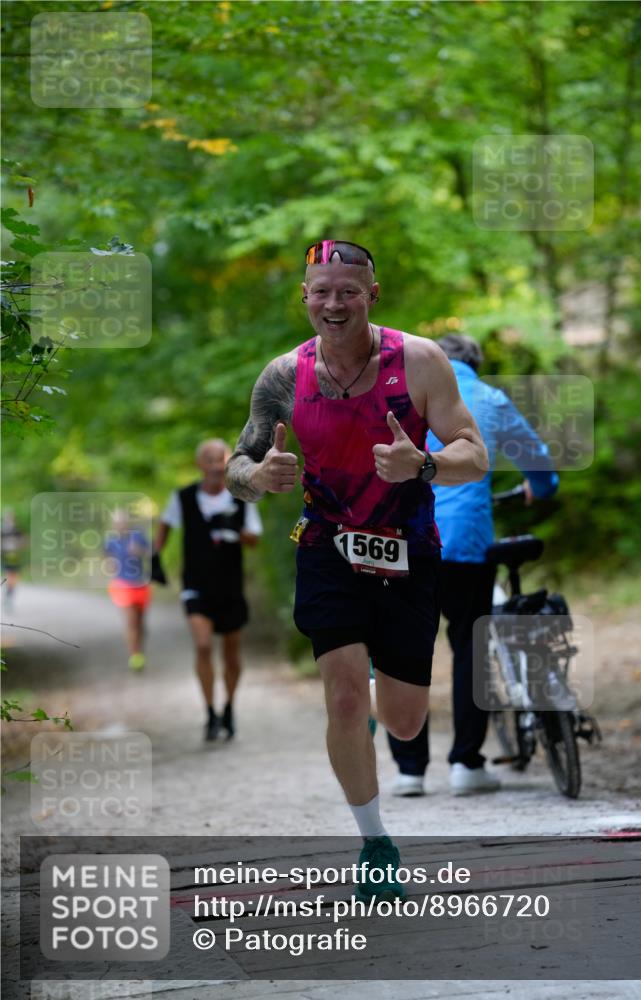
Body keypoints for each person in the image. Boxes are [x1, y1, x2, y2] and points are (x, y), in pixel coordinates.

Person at [226, 240, 488, 901]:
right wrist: (258, 476)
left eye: (347, 291)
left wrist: (424, 465)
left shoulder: (421, 361)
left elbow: (474, 455)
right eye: (320, 291)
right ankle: (373, 842)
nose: (332, 303)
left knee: (402, 722)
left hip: (408, 548)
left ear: (372, 295)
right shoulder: (284, 376)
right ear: (305, 297)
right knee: (343, 697)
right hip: (326, 546)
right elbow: (237, 469)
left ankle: (380, 692)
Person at [387, 334, 559, 797]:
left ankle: (409, 770)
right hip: (465, 543)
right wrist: (540, 490)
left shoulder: (400, 393)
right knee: (470, 649)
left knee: (405, 651)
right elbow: (537, 463)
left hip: (405, 542)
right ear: (474, 362)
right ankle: (466, 764)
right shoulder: (488, 397)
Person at [154, 439, 262, 741]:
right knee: (202, 645)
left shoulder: (242, 498)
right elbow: (164, 525)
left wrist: (234, 529)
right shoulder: (184, 497)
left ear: (228, 463)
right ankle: (210, 712)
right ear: (199, 464)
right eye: (209, 460)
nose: (216, 465)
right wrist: (154, 556)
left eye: (221, 459)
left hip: (230, 586)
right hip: (196, 585)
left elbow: (254, 540)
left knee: (231, 652)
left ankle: (229, 706)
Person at [105, 509, 152, 671]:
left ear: (128, 523)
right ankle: (135, 656)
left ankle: (139, 651)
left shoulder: (138, 537)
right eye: (117, 522)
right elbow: (107, 558)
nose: (120, 525)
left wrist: (140, 551)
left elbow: (151, 553)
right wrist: (110, 565)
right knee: (131, 621)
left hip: (141, 584)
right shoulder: (110, 541)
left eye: (123, 521)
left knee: (140, 623)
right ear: (113, 525)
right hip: (122, 585)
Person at [1, 509, 27, 614]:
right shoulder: (2, 530)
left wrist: (18, 544)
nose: (10, 519)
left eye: (11, 517)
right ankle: (7, 597)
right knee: (8, 577)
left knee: (14, 579)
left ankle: (9, 595)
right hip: (5, 558)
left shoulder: (17, 530)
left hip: (16, 558)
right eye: (8, 517)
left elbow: (24, 542)